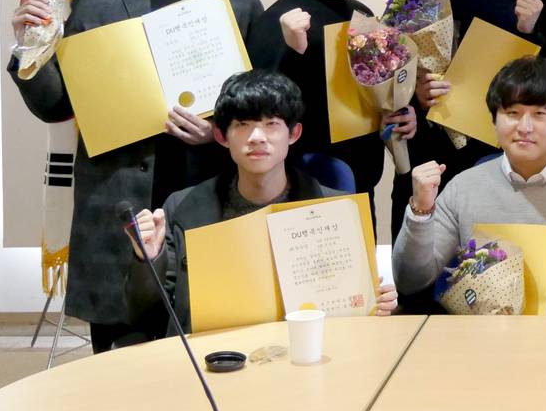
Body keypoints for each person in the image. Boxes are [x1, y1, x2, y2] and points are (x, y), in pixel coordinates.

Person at [7, 0, 263, 352]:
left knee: (213, 348)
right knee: (121, 357)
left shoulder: (237, 3)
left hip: (208, 197)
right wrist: (28, 48)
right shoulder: (97, 3)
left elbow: (262, 107)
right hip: (118, 200)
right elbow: (56, 106)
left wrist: (217, 134)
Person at [126, 70, 398, 335]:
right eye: (242, 125)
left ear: (293, 134)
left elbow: (351, 309)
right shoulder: (183, 208)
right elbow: (146, 311)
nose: (257, 137)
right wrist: (147, 260)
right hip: (215, 354)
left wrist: (376, 301)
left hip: (308, 351)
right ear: (221, 136)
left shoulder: (337, 210)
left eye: (272, 124)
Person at [394, 57, 546, 314]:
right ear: (493, 121)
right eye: (513, 113)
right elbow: (411, 282)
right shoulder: (462, 189)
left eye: (540, 114)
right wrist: (420, 211)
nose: (525, 127)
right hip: (482, 334)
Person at [247, 0, 415, 225]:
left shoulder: (362, 16)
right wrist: (293, 53)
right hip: (302, 199)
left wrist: (395, 117)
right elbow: (259, 117)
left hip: (361, 189)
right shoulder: (278, 22)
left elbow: (368, 102)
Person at [397, 0, 546, 236]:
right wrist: (413, 95)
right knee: (418, 258)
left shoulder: (520, 4)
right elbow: (388, 90)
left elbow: (541, 92)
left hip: (497, 164)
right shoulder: (413, 2)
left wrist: (529, 32)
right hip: (427, 163)